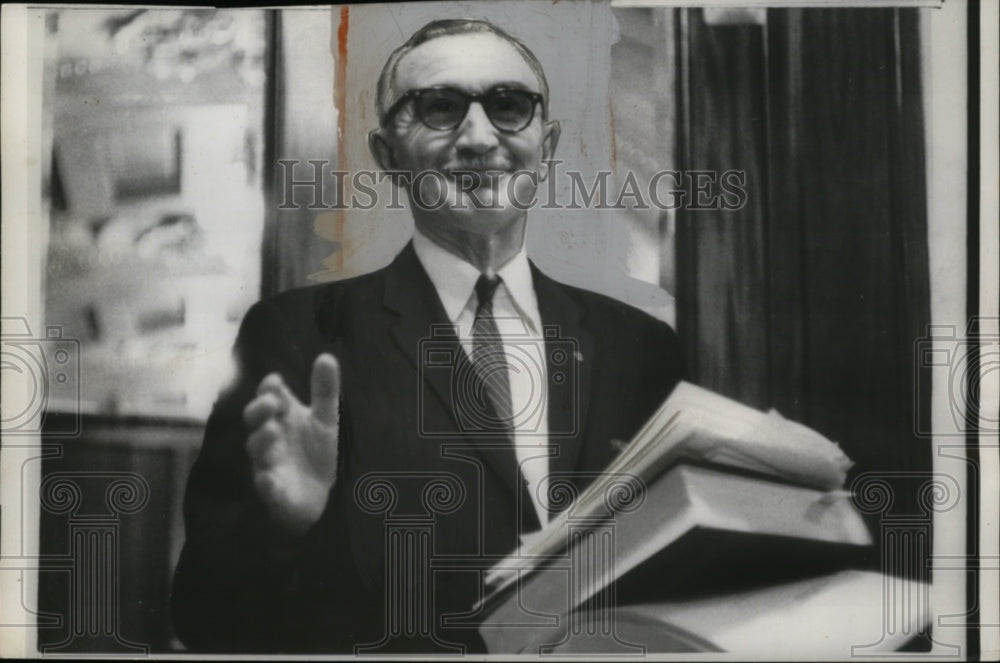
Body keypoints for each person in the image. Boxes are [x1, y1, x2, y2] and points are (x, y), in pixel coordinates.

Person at [172, 18, 684, 654]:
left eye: (508, 106)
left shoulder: (641, 347)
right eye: (439, 108)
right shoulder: (298, 335)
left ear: (544, 144)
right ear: (388, 154)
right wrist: (281, 527)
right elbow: (201, 619)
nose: (478, 137)